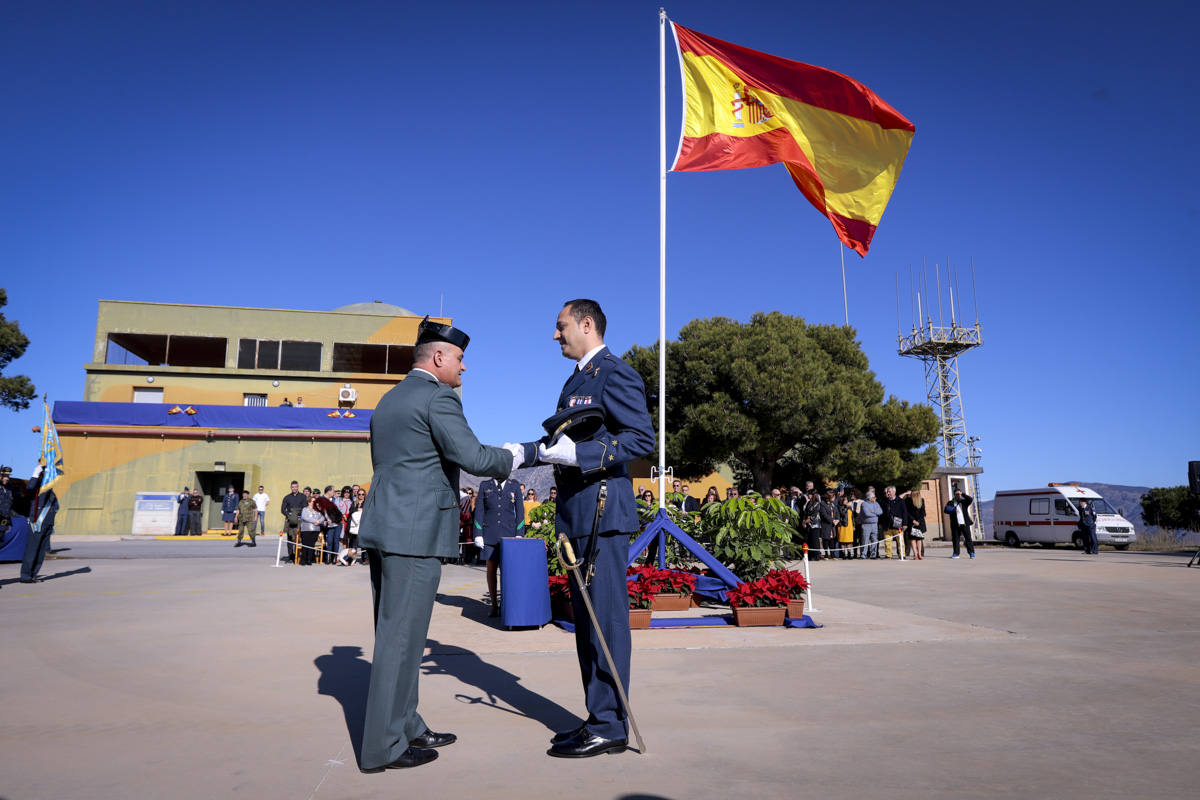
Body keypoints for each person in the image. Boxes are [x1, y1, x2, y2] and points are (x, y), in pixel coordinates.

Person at [356, 315, 514, 772]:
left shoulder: (390, 399)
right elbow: (472, 456)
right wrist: (519, 455)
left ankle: (407, 724)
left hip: (389, 528)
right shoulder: (438, 397)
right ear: (439, 357)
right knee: (399, 640)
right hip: (414, 534)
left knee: (401, 637)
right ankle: (383, 747)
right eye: (460, 359)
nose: (463, 369)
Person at [512, 298, 655, 759]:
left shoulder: (615, 372)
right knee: (585, 626)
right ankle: (598, 716)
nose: (556, 335)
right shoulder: (577, 379)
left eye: (561, 326)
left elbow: (641, 438)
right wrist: (529, 452)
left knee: (606, 621)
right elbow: (562, 439)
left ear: (586, 324)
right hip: (577, 513)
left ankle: (612, 726)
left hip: (602, 512)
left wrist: (580, 456)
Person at [473, 475, 524, 616]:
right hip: (490, 534)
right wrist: (478, 533)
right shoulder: (485, 485)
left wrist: (519, 532)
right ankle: (494, 605)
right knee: (491, 569)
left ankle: (505, 604)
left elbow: (520, 511)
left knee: (506, 571)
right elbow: (479, 511)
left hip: (509, 535)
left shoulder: (514, 485)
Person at [20, 464, 58, 583]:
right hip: (37, 522)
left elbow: (56, 506)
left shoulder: (50, 491)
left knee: (41, 552)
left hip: (47, 523)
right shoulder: (37, 488)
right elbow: (29, 487)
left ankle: (33, 574)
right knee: (32, 550)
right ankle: (26, 576)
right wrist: (35, 473)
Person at [943, 487, 976, 559]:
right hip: (955, 524)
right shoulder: (951, 502)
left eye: (959, 494)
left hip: (964, 523)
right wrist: (954, 510)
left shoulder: (964, 502)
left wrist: (963, 494)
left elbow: (970, 499)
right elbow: (945, 510)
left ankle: (971, 553)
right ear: (954, 495)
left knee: (968, 538)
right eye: (956, 494)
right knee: (955, 539)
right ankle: (956, 553)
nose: (958, 495)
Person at [880, 486, 910, 559]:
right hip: (887, 525)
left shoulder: (900, 501)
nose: (888, 493)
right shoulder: (884, 501)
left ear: (894, 492)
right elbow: (881, 513)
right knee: (887, 541)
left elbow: (904, 513)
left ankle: (902, 554)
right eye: (887, 492)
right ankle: (888, 555)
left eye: (889, 492)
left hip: (898, 524)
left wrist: (905, 524)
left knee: (900, 541)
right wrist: (880, 523)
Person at [280, 481, 306, 562]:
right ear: (291, 488)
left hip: (299, 519)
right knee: (290, 538)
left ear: (298, 487)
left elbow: (304, 507)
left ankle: (297, 555)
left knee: (298, 538)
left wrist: (299, 516)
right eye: (293, 487)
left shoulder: (303, 496)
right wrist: (289, 516)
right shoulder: (287, 497)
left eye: (295, 487)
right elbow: (283, 510)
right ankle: (291, 556)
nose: (294, 488)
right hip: (289, 520)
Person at [298, 497, 323, 565]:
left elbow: (323, 517)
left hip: (315, 529)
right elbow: (305, 517)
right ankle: (303, 560)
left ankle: (309, 560)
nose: (314, 503)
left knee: (311, 545)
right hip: (306, 529)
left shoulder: (318, 509)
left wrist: (319, 521)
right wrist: (315, 521)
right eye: (312, 501)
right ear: (309, 502)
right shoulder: (305, 509)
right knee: (305, 545)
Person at [903, 490, 927, 560]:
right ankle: (915, 554)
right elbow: (906, 512)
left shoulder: (921, 500)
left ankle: (919, 553)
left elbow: (923, 512)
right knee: (912, 538)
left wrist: (918, 521)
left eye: (912, 494)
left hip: (919, 522)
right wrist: (913, 520)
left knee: (919, 539)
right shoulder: (907, 500)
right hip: (911, 522)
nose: (910, 495)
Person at [860, 489, 882, 559]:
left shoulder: (876, 503)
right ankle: (863, 554)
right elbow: (867, 513)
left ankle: (873, 554)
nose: (875, 498)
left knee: (874, 540)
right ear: (869, 498)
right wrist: (875, 513)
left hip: (875, 524)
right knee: (865, 540)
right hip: (866, 524)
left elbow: (880, 512)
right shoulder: (864, 504)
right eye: (874, 497)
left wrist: (873, 512)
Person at [837, 492, 855, 558]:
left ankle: (850, 553)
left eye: (847, 500)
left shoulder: (849, 507)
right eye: (845, 500)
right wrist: (847, 507)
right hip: (842, 526)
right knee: (843, 541)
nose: (847, 501)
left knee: (849, 541)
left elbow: (852, 518)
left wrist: (853, 525)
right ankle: (844, 554)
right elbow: (843, 514)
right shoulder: (840, 507)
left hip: (849, 526)